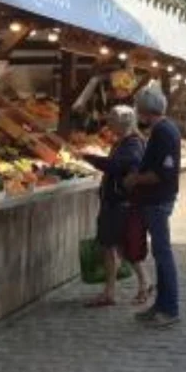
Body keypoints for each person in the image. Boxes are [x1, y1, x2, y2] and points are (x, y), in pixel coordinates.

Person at [80, 105, 150, 307]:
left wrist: (89, 158)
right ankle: (124, 287)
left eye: (111, 121)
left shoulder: (132, 144)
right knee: (118, 246)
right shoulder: (125, 142)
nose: (108, 125)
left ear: (122, 123)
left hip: (119, 203)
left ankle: (135, 285)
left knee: (115, 246)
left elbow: (117, 166)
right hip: (117, 201)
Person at [124, 88, 181, 329]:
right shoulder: (162, 129)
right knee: (159, 255)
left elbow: (162, 173)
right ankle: (160, 305)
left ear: (145, 110)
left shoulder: (163, 132)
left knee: (163, 254)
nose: (137, 112)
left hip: (158, 200)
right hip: (156, 200)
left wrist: (135, 179)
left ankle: (169, 308)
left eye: (138, 107)